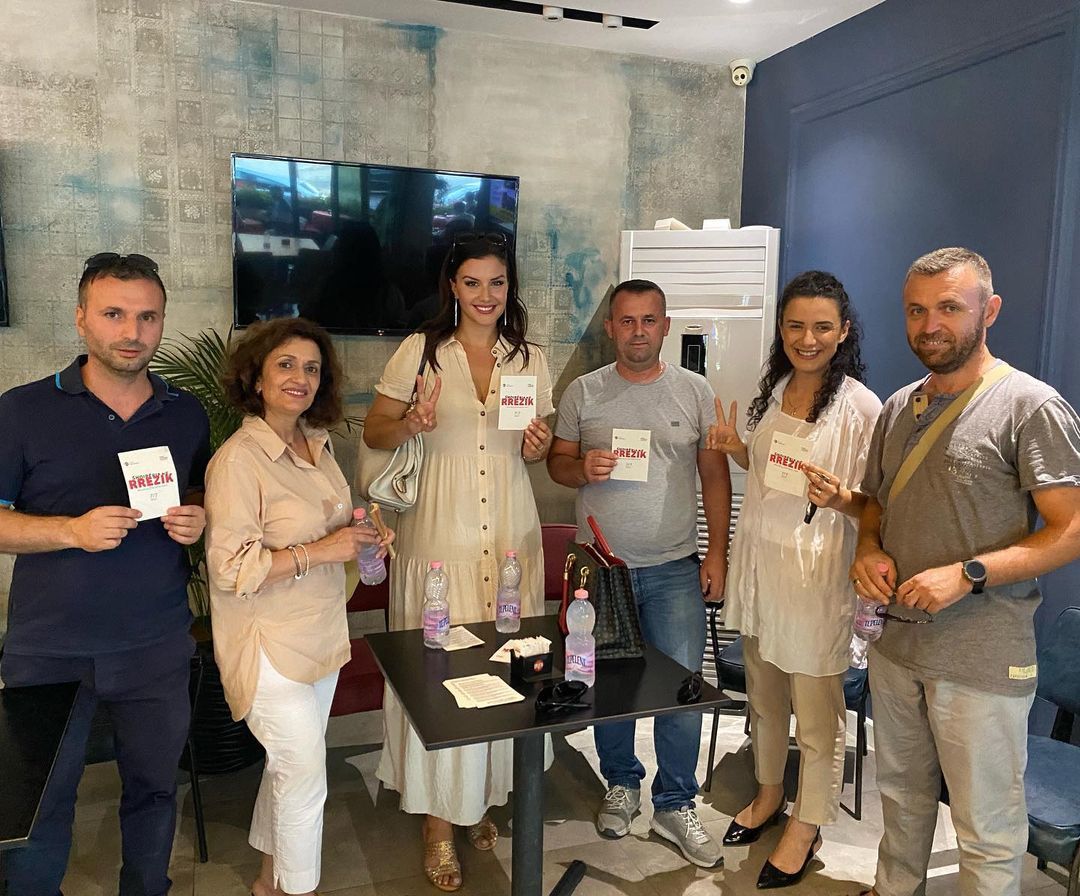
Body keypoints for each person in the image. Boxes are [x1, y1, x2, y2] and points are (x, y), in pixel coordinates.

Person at [850, 247, 1080, 896]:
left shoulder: (1029, 406)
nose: (930, 326)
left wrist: (968, 573)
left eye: (949, 308)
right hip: (897, 647)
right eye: (916, 311)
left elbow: (1070, 528)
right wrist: (867, 549)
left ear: (990, 310)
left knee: (986, 829)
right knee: (901, 799)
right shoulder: (899, 407)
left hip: (981, 657)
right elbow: (875, 505)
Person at [0, 252, 210, 896]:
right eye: (114, 314)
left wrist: (198, 517)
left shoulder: (186, 413)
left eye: (148, 317)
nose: (132, 332)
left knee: (154, 792)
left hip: (156, 645)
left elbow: (199, 491)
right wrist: (70, 530)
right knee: (39, 809)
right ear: (81, 319)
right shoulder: (22, 410)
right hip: (49, 650)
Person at [364, 232, 554, 891]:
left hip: (510, 534)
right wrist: (411, 424)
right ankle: (438, 821)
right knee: (441, 674)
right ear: (452, 285)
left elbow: (530, 447)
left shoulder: (529, 357)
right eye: (472, 282)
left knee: (502, 668)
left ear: (509, 286)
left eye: (496, 282)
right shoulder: (421, 350)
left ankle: (482, 795)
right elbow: (374, 430)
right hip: (439, 535)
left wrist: (538, 443)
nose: (485, 295)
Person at [204, 318, 393, 896]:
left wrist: (364, 535)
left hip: (319, 633)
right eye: (285, 365)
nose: (300, 378)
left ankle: (269, 883)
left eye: (311, 368)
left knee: (289, 769)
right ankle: (296, 890)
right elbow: (231, 568)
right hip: (268, 645)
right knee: (305, 777)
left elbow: (334, 527)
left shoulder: (319, 443)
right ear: (256, 378)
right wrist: (323, 550)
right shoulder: (239, 460)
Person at [547, 278, 730, 869]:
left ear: (665, 326)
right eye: (626, 321)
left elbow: (714, 476)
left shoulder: (695, 392)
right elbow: (556, 463)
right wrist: (582, 469)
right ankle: (621, 783)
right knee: (610, 688)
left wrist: (717, 553)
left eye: (649, 320)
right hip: (601, 574)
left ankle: (676, 802)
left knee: (682, 690)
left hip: (675, 567)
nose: (638, 332)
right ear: (610, 328)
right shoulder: (584, 391)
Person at [709, 271, 881, 888]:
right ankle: (767, 794)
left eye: (822, 327)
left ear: (844, 331)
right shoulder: (775, 390)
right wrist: (735, 447)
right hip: (761, 569)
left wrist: (843, 500)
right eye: (795, 326)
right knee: (764, 699)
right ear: (781, 329)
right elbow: (768, 470)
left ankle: (806, 825)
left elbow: (878, 504)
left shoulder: (861, 409)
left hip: (816, 581)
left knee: (816, 717)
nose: (807, 339)